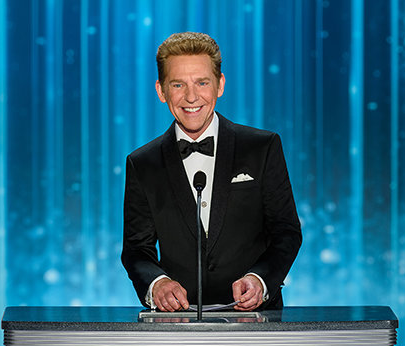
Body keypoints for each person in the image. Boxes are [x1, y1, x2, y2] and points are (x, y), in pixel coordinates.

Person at [121, 32, 301, 312]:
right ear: (161, 91)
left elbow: (286, 232)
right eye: (178, 84)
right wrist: (157, 283)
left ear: (220, 85)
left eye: (202, 82)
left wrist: (260, 280)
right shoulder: (142, 163)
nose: (191, 96)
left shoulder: (262, 148)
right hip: (178, 321)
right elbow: (136, 249)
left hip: (257, 321)